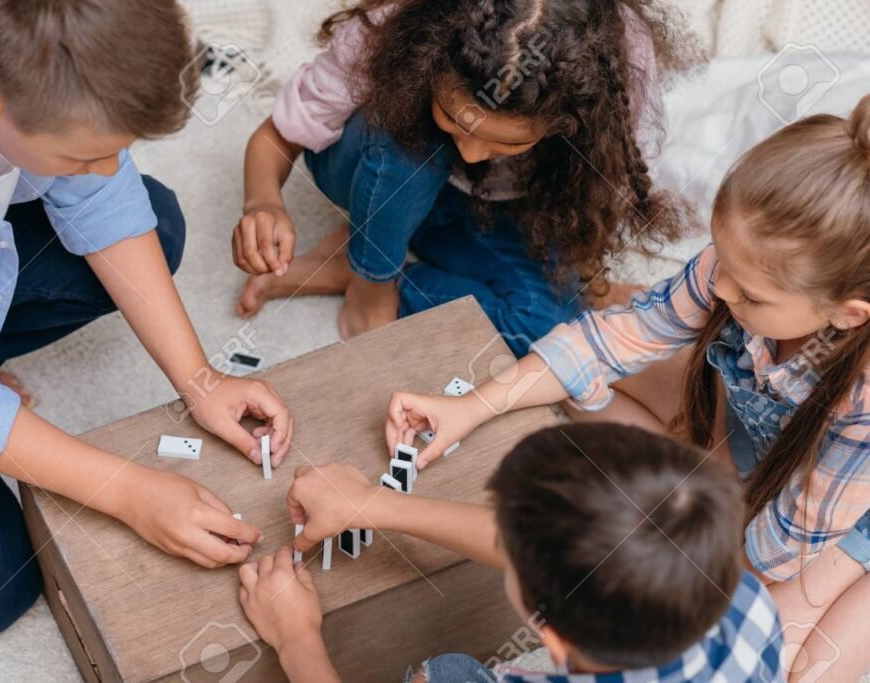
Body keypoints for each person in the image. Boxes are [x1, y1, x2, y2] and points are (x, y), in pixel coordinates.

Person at [0, 0, 292, 641]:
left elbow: (107, 197)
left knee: (155, 224)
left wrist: (200, 380)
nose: (106, 170)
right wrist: (131, 493)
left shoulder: (11, 49)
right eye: (83, 157)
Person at [387, 96, 870, 681]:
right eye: (720, 262)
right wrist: (470, 407)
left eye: (750, 294)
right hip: (766, 438)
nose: (720, 289)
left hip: (841, 519)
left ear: (846, 314)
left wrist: (651, 570)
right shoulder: (736, 273)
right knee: (574, 374)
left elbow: (786, 545)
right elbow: (604, 342)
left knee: (787, 664)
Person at [231, 0, 695, 353]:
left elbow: (605, 195)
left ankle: (365, 260)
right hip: (379, 166)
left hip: (487, 207)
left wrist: (587, 282)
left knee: (549, 326)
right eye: (454, 118)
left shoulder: (615, 61)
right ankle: (370, 289)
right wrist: (262, 202)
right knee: (414, 142)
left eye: (508, 142)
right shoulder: (399, 18)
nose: (470, 152)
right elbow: (277, 136)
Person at [238, 424, 784, 682]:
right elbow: (580, 553)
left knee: (442, 675)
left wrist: (296, 639)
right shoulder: (747, 600)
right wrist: (373, 503)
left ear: (550, 633)